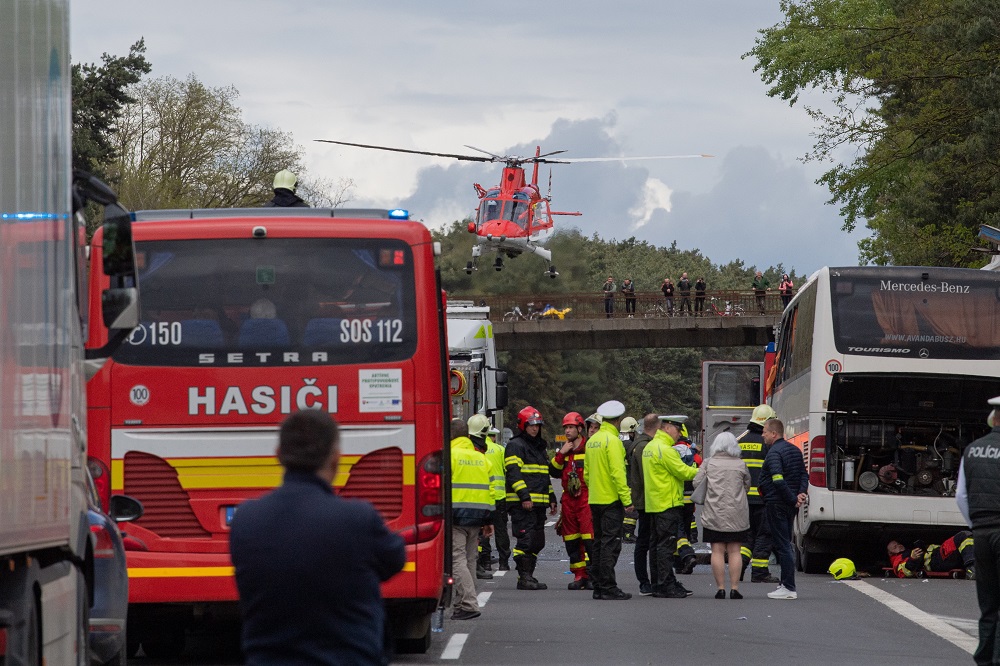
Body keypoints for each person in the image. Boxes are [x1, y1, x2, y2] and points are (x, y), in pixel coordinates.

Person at [230, 410, 405, 665]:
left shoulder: (246, 520)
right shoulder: (358, 518)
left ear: (278, 455)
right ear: (335, 458)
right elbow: (394, 559)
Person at [956, 395, 1000, 665]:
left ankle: (984, 657)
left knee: (988, 601)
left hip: (982, 533)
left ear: (994, 418)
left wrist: (976, 524)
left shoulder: (972, 449)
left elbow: (961, 496)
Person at [643, 415, 699, 598]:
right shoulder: (665, 450)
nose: (680, 434)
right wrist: (704, 470)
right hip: (668, 503)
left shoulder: (650, 447)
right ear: (667, 428)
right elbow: (683, 472)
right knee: (666, 547)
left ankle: (659, 583)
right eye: (678, 430)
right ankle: (666, 585)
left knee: (656, 546)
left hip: (654, 503)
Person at [584, 400, 635, 600]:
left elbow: (587, 475)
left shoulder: (593, 441)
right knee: (610, 544)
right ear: (618, 420)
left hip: (595, 499)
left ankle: (598, 585)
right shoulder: (612, 442)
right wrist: (627, 500)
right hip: (611, 500)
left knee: (598, 543)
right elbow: (618, 473)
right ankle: (608, 586)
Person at [693, 432, 751, 600]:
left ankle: (720, 588)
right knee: (735, 551)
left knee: (717, 550)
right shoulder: (740, 464)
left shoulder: (708, 463)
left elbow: (697, 482)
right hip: (737, 513)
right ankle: (734, 588)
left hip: (714, 512)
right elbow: (747, 484)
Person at [447, 419, 495, 620]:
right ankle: (460, 606)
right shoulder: (482, 459)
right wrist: (489, 520)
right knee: (469, 560)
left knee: (456, 560)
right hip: (478, 517)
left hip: (456, 515)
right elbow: (491, 491)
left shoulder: (449, 456)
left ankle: (468, 603)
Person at [505, 406, 556, 590]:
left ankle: (529, 576)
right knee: (525, 541)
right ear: (523, 425)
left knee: (537, 541)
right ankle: (523, 577)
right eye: (531, 425)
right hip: (522, 504)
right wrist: (524, 497)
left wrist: (551, 497)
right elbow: (514, 474)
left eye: (537, 425)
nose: (535, 428)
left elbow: (543, 476)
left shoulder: (540, 447)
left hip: (539, 504)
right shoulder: (515, 445)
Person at [759, 418, 807, 600]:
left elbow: (777, 479)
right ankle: (785, 584)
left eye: (764, 431)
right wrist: (800, 493)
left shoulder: (773, 453)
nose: (762, 435)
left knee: (783, 545)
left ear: (774, 433)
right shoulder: (794, 450)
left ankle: (788, 586)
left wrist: (792, 498)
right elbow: (804, 474)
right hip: (789, 504)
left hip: (778, 503)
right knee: (786, 542)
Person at [549, 412, 594, 590]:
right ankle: (579, 575)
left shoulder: (589, 448)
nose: (567, 431)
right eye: (566, 427)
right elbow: (553, 471)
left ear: (579, 429)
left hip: (585, 499)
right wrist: (562, 453)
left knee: (589, 539)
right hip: (568, 501)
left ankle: (592, 575)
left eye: (571, 427)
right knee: (571, 540)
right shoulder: (564, 451)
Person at [738, 404, 780, 583]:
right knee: (765, 535)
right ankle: (760, 572)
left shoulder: (738, 440)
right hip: (764, 499)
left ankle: (737, 568)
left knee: (747, 537)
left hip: (743, 500)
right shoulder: (769, 442)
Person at [468, 415, 507, 579]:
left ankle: (482, 561)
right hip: (496, 497)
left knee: (479, 535)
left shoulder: (471, 450)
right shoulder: (499, 450)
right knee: (499, 531)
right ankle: (503, 561)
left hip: (475, 499)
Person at [628, 414, 660, 595]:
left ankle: (648, 581)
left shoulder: (639, 444)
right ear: (656, 428)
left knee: (646, 540)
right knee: (645, 541)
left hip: (643, 498)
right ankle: (644, 582)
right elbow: (647, 475)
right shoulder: (644, 446)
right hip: (646, 500)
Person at [672, 424, 700, 575]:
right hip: (691, 499)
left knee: (678, 532)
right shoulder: (693, 453)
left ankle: (685, 557)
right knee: (686, 532)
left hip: (677, 498)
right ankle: (681, 564)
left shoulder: (671, 451)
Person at [887, 532, 975, 578]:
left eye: (898, 543)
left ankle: (976, 567)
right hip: (936, 561)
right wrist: (912, 559)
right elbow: (904, 572)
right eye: (895, 547)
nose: (899, 546)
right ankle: (972, 570)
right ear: (891, 553)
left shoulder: (907, 551)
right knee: (962, 537)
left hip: (938, 557)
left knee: (968, 539)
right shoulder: (898, 559)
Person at [620, 416, 639, 543]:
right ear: (631, 432)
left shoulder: (617, 443)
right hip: (629, 481)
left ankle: (623, 533)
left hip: (620, 481)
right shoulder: (631, 446)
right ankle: (628, 533)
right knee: (631, 510)